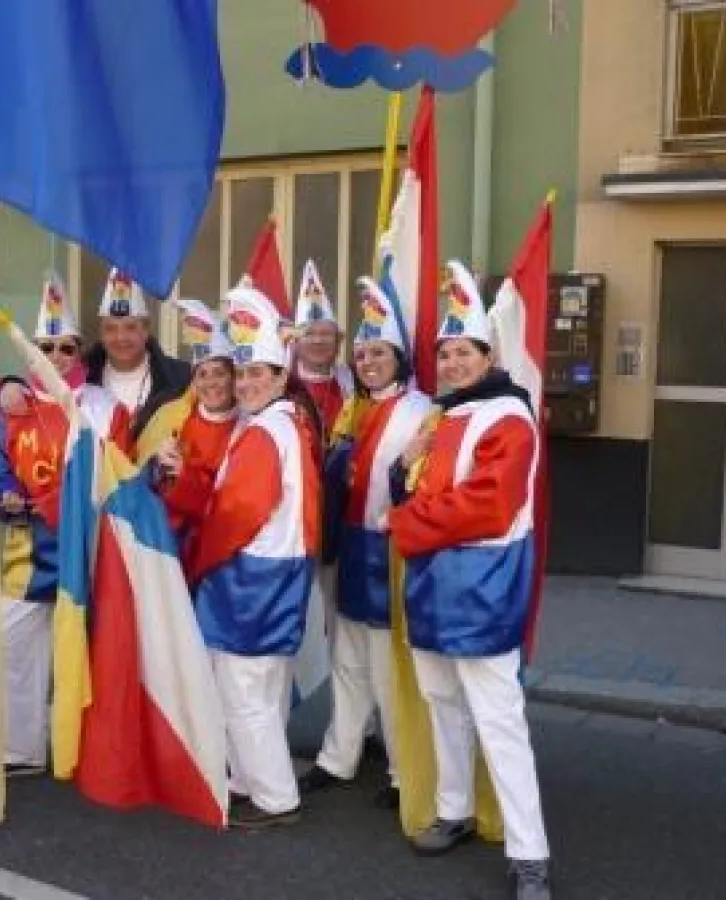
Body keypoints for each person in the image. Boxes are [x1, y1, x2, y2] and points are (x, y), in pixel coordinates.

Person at [388, 261, 551, 900]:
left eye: (464, 351)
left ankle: (530, 853)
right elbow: (424, 484)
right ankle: (454, 808)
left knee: (499, 718)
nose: (452, 362)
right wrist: (404, 478)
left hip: (482, 586)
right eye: (445, 352)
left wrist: (402, 519)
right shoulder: (445, 416)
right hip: (432, 582)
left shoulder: (509, 417)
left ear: (489, 355)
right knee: (443, 705)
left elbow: (486, 504)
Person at [0, 274, 130, 776]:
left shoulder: (107, 409)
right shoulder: (13, 408)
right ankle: (21, 747)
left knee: (88, 650)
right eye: (46, 347)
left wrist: (48, 502)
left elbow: (112, 474)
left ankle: (88, 746)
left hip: (84, 548)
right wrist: (7, 496)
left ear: (79, 352)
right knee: (13, 643)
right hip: (27, 550)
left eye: (66, 347)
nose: (57, 356)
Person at [187, 284, 319, 830]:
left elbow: (236, 514)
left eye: (256, 374)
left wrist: (199, 563)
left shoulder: (267, 431)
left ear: (280, 375)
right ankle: (245, 778)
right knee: (260, 690)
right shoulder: (283, 424)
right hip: (276, 577)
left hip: (250, 582)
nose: (245, 384)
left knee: (244, 694)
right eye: (240, 375)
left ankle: (275, 797)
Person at [298, 277, 432, 810]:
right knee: (347, 659)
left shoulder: (421, 410)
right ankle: (339, 755)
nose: (369, 360)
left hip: (390, 553)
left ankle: (403, 770)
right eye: (362, 352)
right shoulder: (355, 406)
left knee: (387, 667)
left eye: (379, 352)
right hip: (351, 548)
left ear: (398, 356)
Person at [149, 297, 239, 551]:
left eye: (219, 373)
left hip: (224, 548)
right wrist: (158, 468)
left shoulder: (249, 427)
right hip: (179, 550)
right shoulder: (176, 419)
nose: (210, 383)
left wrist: (185, 475)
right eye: (202, 374)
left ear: (234, 378)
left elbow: (236, 501)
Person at [83, 268, 192, 454]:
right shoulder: (81, 378)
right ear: (101, 333)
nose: (121, 337)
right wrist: (15, 384)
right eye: (111, 329)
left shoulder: (181, 378)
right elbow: (40, 391)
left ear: (146, 329)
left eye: (130, 327)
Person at [292, 259, 354, 441]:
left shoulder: (355, 384)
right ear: (295, 342)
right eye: (309, 334)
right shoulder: (282, 386)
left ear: (339, 341)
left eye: (326, 334)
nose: (318, 341)